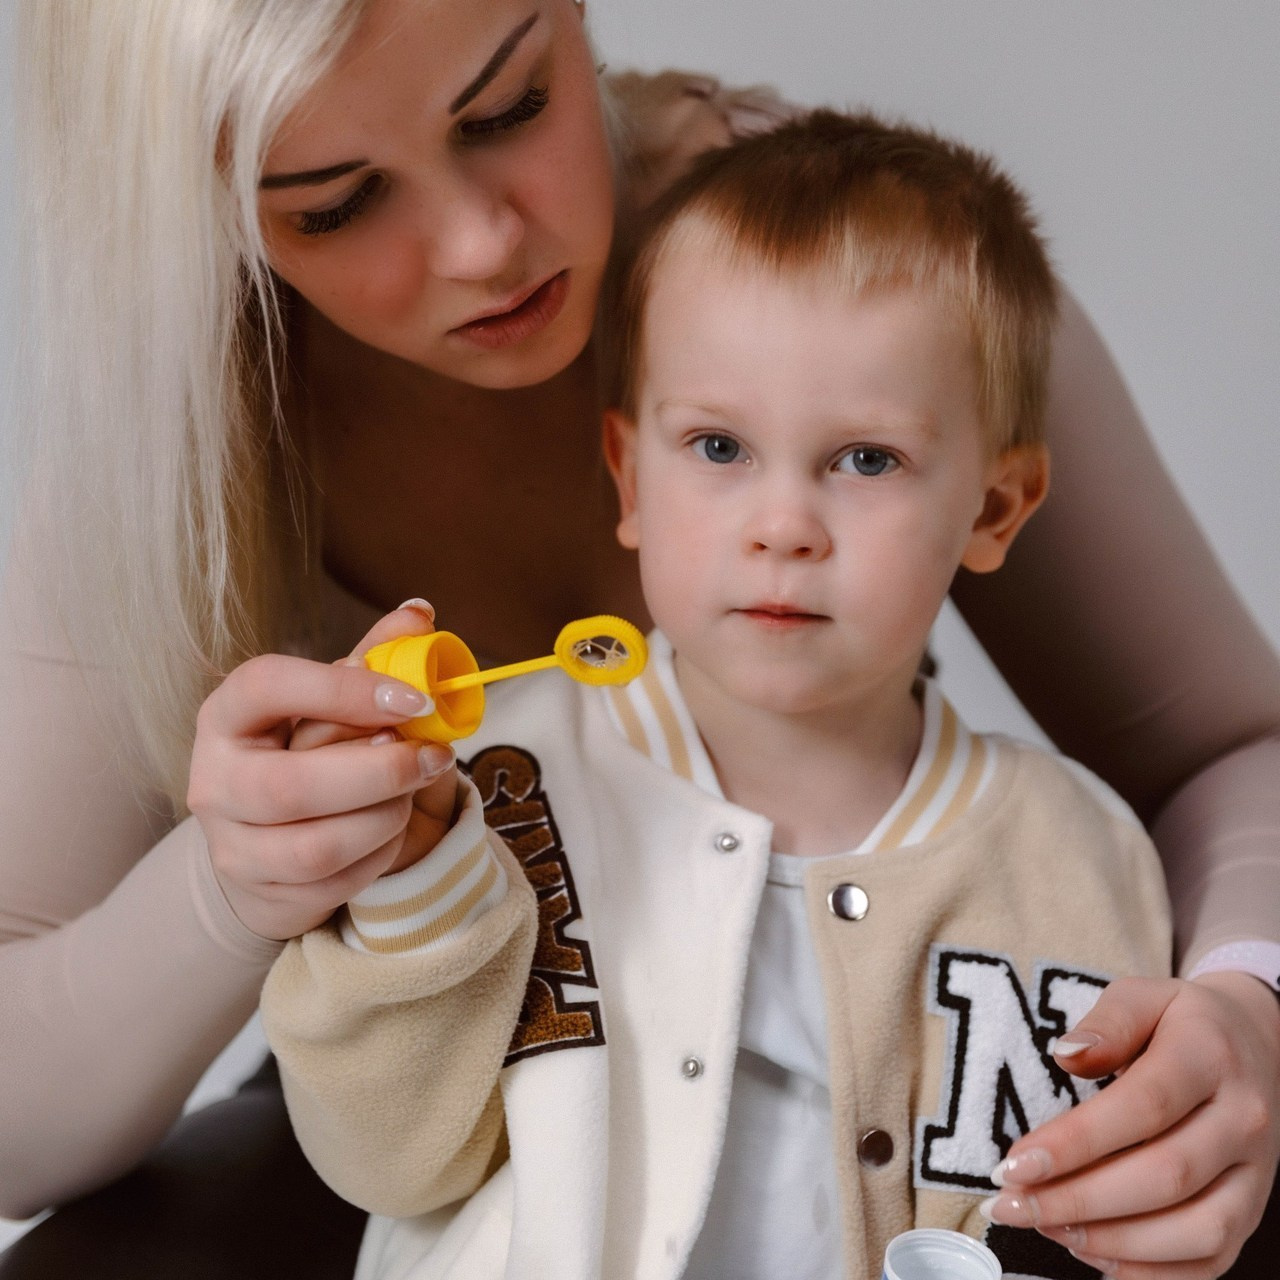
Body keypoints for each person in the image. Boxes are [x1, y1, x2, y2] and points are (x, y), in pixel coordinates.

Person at [0, 1, 1276, 1277]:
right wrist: (233, 885)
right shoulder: (170, 425)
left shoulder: (869, 259)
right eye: (333, 203)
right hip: (438, 1113)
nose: (481, 243)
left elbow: (1233, 746)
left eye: (507, 109)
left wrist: (1244, 1006)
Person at [261, 108, 1182, 1280]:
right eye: (717, 449)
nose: (783, 527)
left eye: (865, 459)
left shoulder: (1077, 855)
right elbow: (384, 1161)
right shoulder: (488, 784)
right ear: (627, 474)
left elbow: (1102, 1220)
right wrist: (412, 893)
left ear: (993, 510)